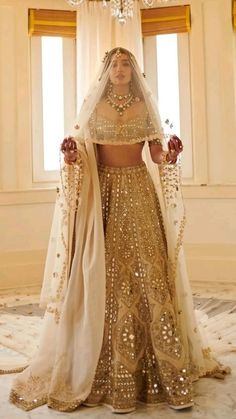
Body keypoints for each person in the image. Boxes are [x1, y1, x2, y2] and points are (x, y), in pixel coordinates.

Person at [9, 47, 229, 413]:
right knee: (109, 276)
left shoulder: (146, 110)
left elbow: (157, 156)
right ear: (106, 72)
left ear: (135, 71)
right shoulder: (93, 110)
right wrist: (69, 156)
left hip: (140, 194)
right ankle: (108, 374)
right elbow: (81, 154)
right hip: (105, 200)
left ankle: (166, 374)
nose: (121, 69)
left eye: (127, 64)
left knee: (149, 274)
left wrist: (171, 155)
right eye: (115, 64)